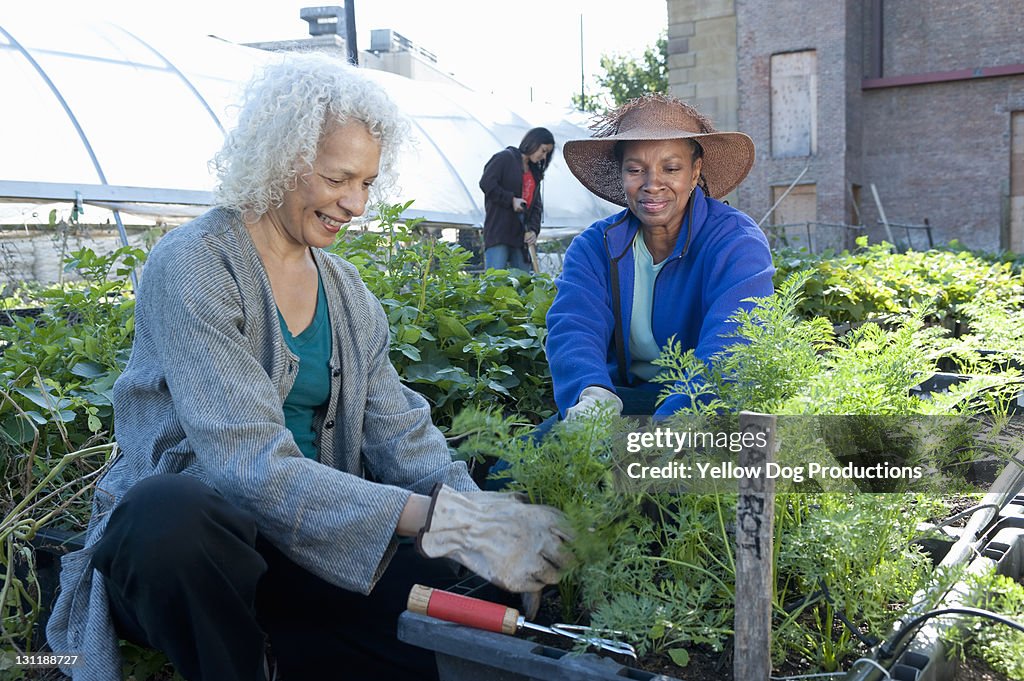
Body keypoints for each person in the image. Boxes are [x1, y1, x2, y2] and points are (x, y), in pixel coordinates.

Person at [45, 53, 569, 681]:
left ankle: (290, 649)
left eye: (368, 182)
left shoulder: (347, 291)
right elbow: (247, 468)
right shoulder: (195, 266)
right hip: (201, 555)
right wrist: (443, 520)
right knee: (171, 519)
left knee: (467, 607)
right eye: (337, 178)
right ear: (281, 159)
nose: (356, 203)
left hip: (305, 542)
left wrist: (483, 520)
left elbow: (403, 437)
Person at [546, 93, 775, 421]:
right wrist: (591, 393)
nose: (652, 184)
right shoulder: (594, 247)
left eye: (671, 168)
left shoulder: (736, 243)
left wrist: (666, 431)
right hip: (621, 402)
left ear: (695, 172)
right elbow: (573, 326)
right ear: (621, 174)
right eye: (636, 169)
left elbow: (731, 344)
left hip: (706, 409)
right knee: (510, 469)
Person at [479, 127, 555, 271]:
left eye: (547, 153)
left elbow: (537, 206)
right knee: (495, 283)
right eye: (543, 150)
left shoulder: (534, 172)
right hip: (500, 232)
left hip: (521, 237)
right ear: (533, 142)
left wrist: (533, 230)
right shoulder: (504, 158)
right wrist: (511, 200)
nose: (544, 157)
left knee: (524, 285)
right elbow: (486, 183)